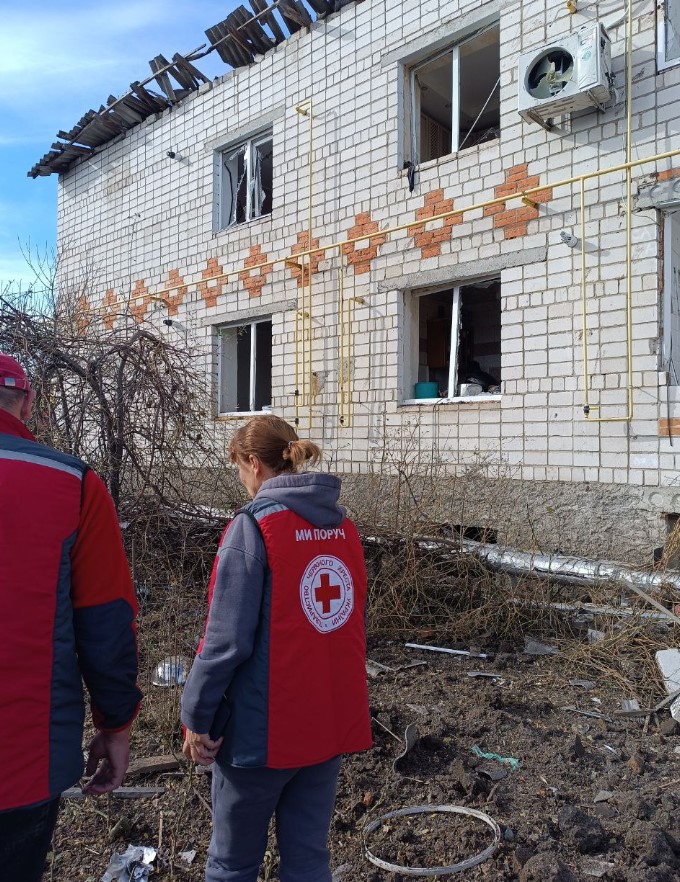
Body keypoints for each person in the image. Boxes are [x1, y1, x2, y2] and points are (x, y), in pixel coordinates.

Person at [181, 414, 372, 882]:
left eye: (239, 469)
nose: (242, 480)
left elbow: (224, 641)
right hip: (327, 727)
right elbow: (348, 625)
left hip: (260, 737)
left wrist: (195, 716)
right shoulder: (343, 529)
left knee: (232, 863)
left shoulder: (253, 529)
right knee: (308, 860)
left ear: (253, 463)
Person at [0, 354, 142, 882]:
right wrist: (116, 726)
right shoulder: (72, 484)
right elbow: (106, 622)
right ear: (29, 403)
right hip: (23, 763)